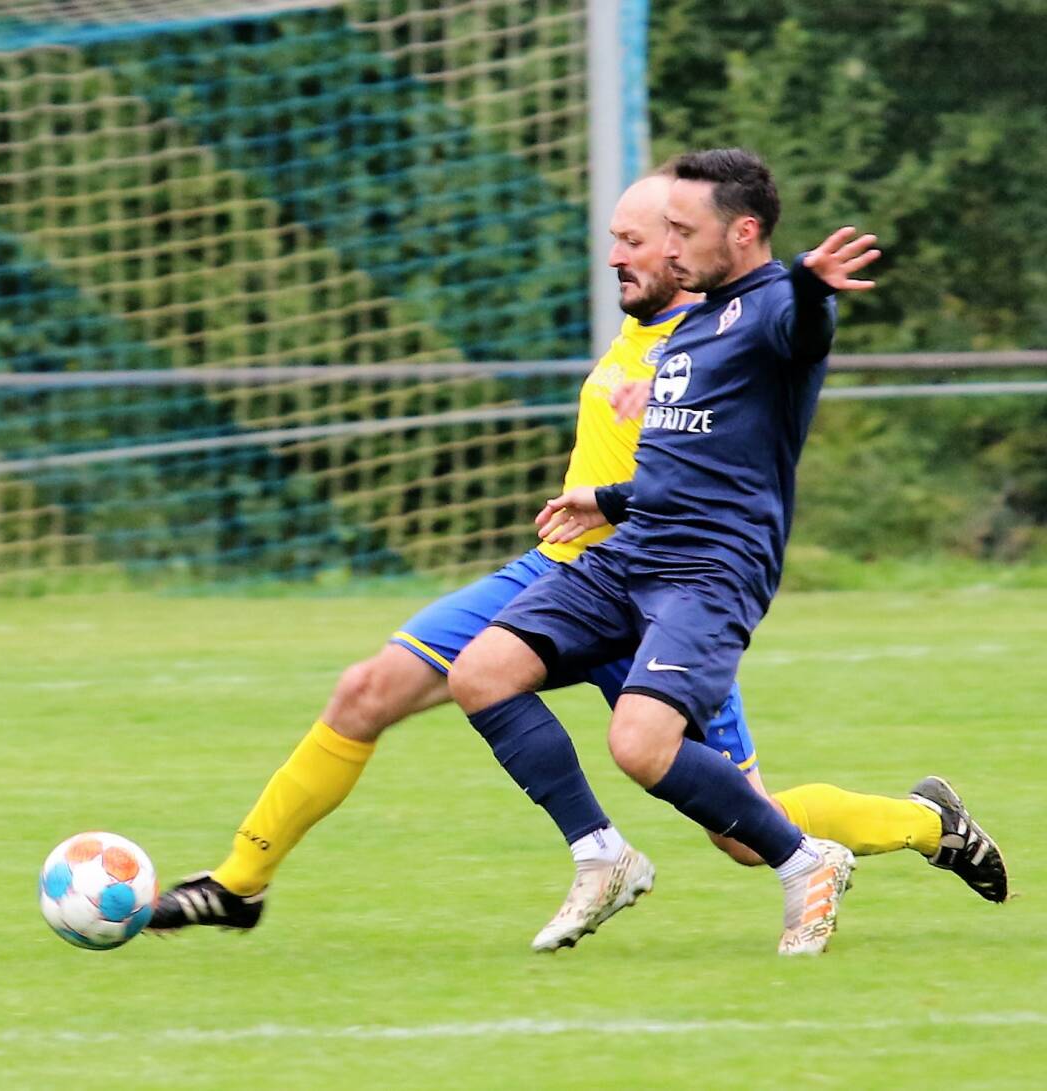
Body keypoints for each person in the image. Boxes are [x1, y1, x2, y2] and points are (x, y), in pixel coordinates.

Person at [149, 159, 1007, 948]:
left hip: (678, 583)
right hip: (577, 572)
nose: (625, 257)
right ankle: (240, 881)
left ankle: (927, 824)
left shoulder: (738, 328)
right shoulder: (671, 332)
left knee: (742, 827)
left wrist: (804, 290)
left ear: (704, 240)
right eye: (627, 239)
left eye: (642, 239)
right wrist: (602, 494)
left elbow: (780, 348)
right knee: (370, 688)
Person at [449, 148, 1005, 956]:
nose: (667, 248)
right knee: (480, 672)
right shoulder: (694, 322)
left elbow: (803, 328)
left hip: (708, 571)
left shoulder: (775, 306)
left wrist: (813, 288)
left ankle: (806, 859)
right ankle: (601, 852)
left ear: (742, 232)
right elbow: (694, 463)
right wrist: (604, 500)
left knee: (641, 746)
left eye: (683, 230)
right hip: (632, 550)